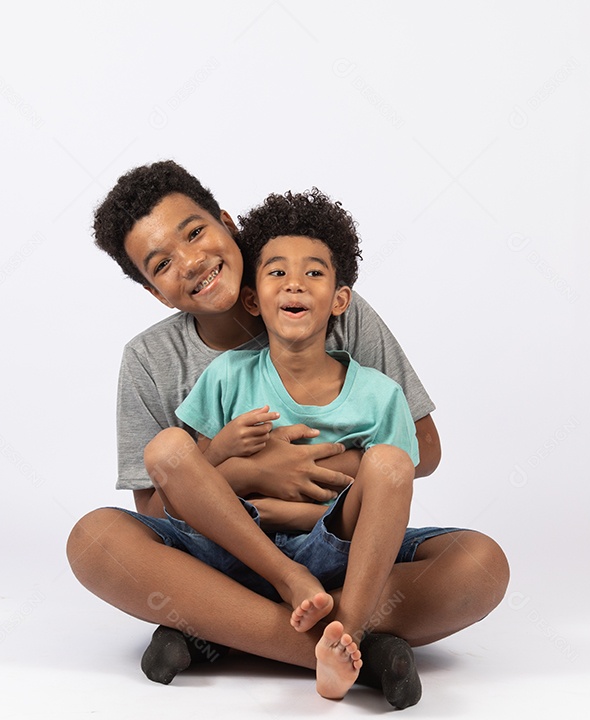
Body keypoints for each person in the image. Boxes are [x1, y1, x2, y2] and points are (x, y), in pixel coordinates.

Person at [66, 160, 509, 709]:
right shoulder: (151, 359)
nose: (192, 261)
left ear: (227, 223)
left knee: (480, 564)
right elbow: (157, 511)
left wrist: (308, 472)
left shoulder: (329, 305)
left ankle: (217, 631)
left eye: (196, 232)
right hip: (219, 553)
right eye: (162, 264)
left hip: (337, 543)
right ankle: (350, 648)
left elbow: (422, 449)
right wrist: (244, 472)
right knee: (93, 540)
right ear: (157, 292)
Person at [144, 187, 433, 700]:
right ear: (254, 298)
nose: (295, 283)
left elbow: (395, 484)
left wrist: (288, 510)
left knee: (473, 554)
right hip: (234, 549)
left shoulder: (377, 394)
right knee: (160, 456)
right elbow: (182, 489)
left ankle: (230, 631)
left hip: (335, 548)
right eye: (277, 272)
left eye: (314, 274)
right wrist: (241, 463)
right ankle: (344, 639)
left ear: (341, 300)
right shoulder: (225, 375)